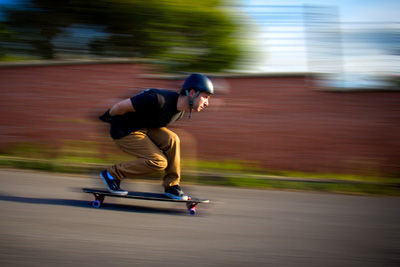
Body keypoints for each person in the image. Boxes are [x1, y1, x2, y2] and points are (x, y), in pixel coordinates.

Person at [98, 73, 214, 200]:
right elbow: (120, 106)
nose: (207, 103)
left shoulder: (179, 113)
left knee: (173, 139)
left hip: (144, 127)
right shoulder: (157, 98)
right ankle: (111, 175)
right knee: (158, 162)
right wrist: (110, 117)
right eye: (205, 97)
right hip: (125, 130)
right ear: (192, 93)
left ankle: (172, 186)